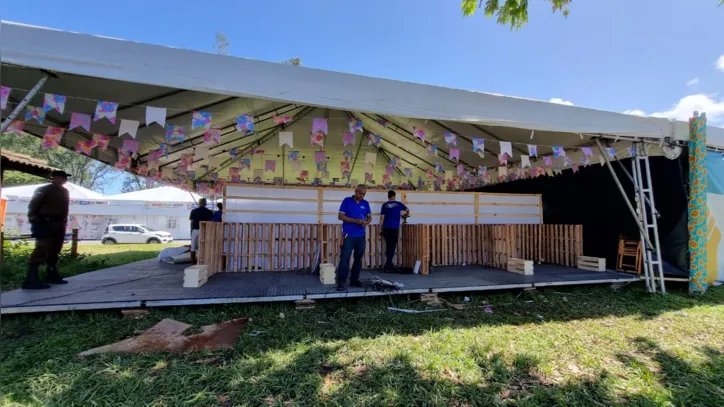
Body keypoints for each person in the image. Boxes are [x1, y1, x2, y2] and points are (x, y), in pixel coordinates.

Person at [23, 170, 71, 289]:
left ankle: (51, 274)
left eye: (65, 177)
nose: (64, 179)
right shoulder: (45, 189)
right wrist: (32, 217)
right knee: (42, 248)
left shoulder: (65, 191)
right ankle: (31, 278)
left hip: (59, 223)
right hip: (45, 222)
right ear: (54, 177)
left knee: (55, 249)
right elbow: (34, 204)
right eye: (61, 177)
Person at [336, 185, 371, 291]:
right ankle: (341, 282)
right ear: (355, 191)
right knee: (345, 259)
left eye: (364, 194)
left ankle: (354, 280)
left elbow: (370, 217)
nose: (362, 196)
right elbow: (340, 216)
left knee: (358, 259)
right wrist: (355, 221)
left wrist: (366, 222)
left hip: (360, 236)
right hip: (348, 235)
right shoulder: (347, 201)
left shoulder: (365, 203)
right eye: (360, 193)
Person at [379, 190, 410, 272]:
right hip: (394, 228)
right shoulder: (399, 204)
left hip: (386, 228)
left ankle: (388, 264)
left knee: (388, 246)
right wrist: (405, 215)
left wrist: (380, 229)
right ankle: (388, 265)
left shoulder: (384, 205)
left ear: (388, 196)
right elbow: (407, 210)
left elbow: (382, 218)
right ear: (394, 196)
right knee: (392, 247)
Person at [189, 198, 214, 264]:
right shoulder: (209, 212)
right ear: (205, 204)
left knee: (193, 247)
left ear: (199, 203)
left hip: (195, 229)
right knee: (205, 246)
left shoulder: (194, 211)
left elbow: (192, 222)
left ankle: (193, 263)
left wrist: (191, 231)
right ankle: (204, 262)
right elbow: (211, 222)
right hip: (205, 230)